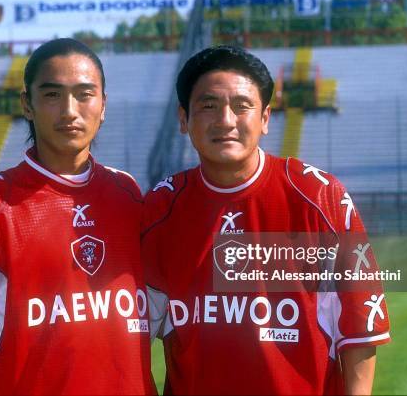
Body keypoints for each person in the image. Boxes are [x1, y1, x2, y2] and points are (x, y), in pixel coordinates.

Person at [143, 45, 390, 395]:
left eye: (242, 106)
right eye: (208, 106)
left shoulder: (319, 197)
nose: (226, 120)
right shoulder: (162, 209)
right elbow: (132, 334)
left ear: (265, 118)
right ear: (184, 119)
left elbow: (360, 326)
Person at [0, 38, 155, 395]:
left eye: (84, 94)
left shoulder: (128, 195)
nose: (69, 110)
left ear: (103, 105)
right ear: (27, 105)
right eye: (52, 95)